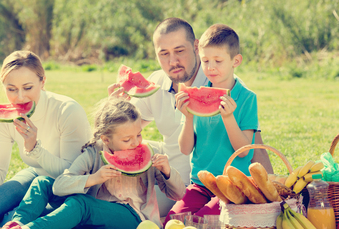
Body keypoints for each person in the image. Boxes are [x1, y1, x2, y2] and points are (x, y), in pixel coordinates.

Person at [108, 17, 273, 216]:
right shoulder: (156, 82)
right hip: (176, 180)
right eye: (164, 54)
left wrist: (271, 198)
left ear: (196, 47)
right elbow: (126, 131)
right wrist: (116, 106)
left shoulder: (227, 86)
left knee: (185, 219)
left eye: (179, 51)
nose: (173, 61)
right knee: (121, 203)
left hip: (214, 182)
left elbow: (254, 148)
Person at [0, 99, 185, 229]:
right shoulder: (94, 153)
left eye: (139, 135)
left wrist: (167, 172)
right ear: (106, 139)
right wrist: (94, 178)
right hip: (95, 216)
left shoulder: (149, 154)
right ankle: (16, 225)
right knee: (42, 182)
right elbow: (59, 185)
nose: (136, 143)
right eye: (127, 139)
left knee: (80, 204)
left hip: (135, 218)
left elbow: (177, 194)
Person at [0, 50, 91, 226]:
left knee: (10, 223)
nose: (20, 97)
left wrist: (35, 149)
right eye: (11, 89)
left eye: (27, 88)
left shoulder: (67, 110)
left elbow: (71, 175)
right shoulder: (6, 119)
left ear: (42, 82)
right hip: (34, 176)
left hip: (70, 189)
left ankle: (16, 213)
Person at [165, 23, 259, 224]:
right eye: (205, 60)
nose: (211, 67)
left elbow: (244, 151)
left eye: (218, 60)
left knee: (202, 224)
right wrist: (188, 116)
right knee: (170, 224)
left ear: (236, 61)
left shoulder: (247, 98)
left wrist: (228, 118)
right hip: (199, 184)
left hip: (231, 186)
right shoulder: (196, 93)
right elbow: (185, 148)